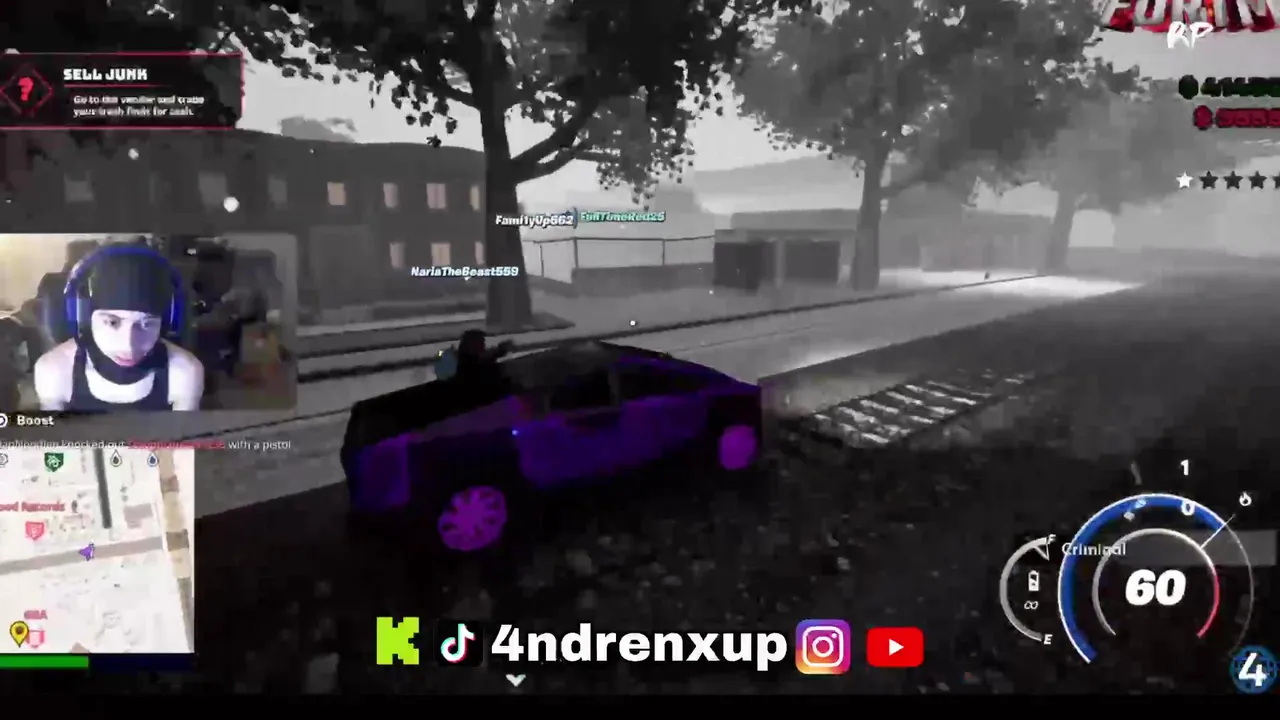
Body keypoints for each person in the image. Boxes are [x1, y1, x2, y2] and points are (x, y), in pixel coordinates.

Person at [33, 245, 204, 411]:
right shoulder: (55, 372)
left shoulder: (185, 372)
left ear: (167, 321)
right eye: (112, 322)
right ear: (84, 317)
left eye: (146, 323)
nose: (129, 346)